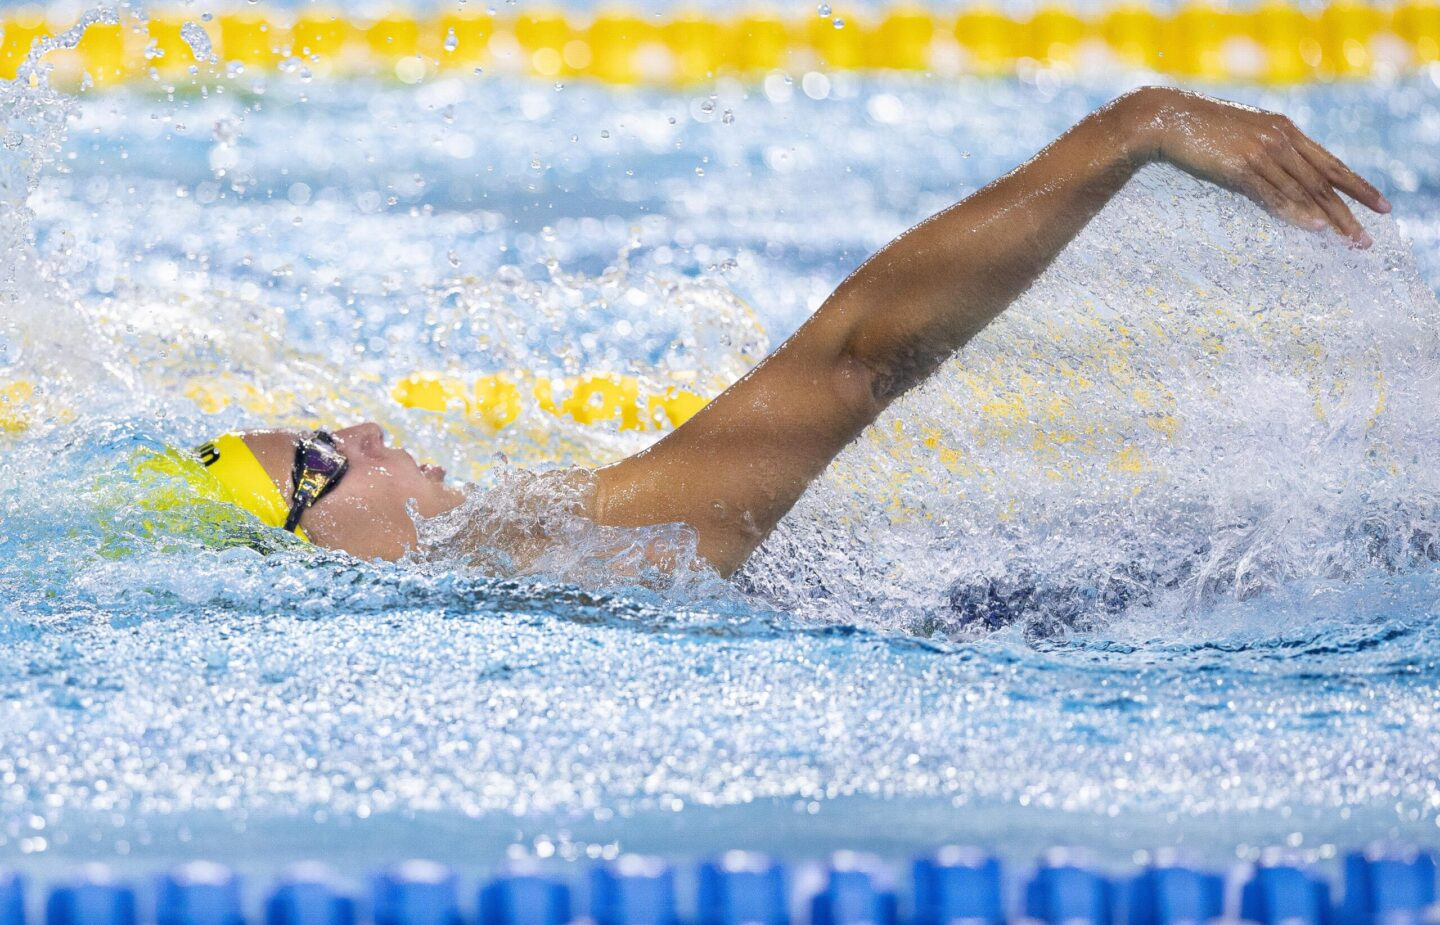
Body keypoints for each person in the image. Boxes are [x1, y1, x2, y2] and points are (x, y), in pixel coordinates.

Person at [177, 85, 1391, 577]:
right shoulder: (532, 552)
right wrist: (1133, 129)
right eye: (327, 458)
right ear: (328, 555)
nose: (372, 423)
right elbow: (857, 362)